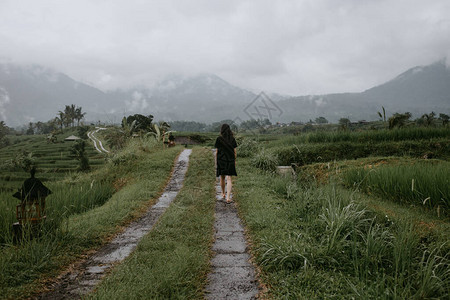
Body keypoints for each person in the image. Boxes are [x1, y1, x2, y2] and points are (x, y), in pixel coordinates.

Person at [214, 124, 237, 203]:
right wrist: (234, 160)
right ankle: (228, 197)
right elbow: (234, 152)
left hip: (221, 160)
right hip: (230, 160)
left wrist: (216, 160)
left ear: (222, 130)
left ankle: (223, 193)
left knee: (222, 177)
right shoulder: (232, 139)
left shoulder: (219, 139)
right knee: (229, 178)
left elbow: (217, 151)